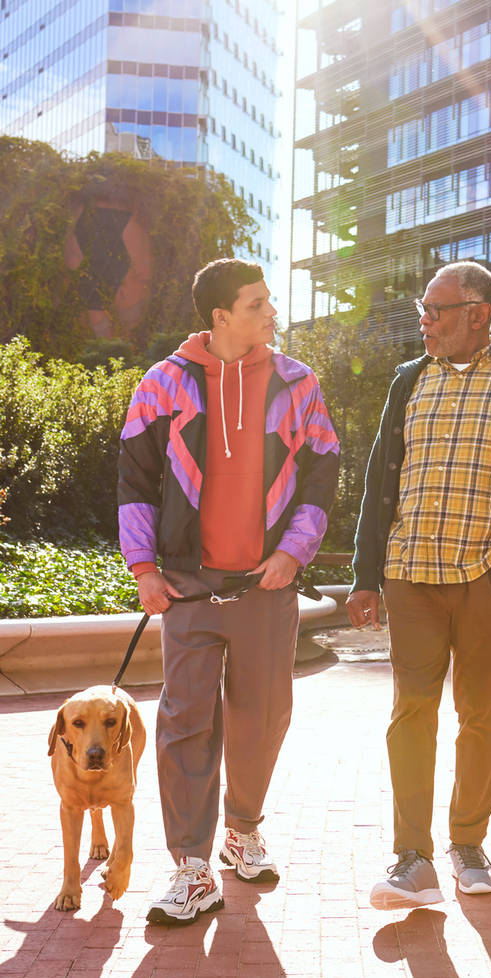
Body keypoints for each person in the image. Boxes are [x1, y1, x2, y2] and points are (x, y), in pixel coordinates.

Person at [348, 261, 491, 909]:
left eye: (436, 310)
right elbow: (378, 484)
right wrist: (366, 573)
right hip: (409, 574)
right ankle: (411, 859)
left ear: (477, 313)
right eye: (423, 309)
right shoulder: (406, 381)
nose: (424, 320)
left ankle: (467, 843)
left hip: (486, 575)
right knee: (410, 712)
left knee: (479, 713)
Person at [118, 258, 338, 926]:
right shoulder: (162, 384)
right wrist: (143, 569)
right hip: (187, 590)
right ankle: (191, 866)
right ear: (220, 315)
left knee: (261, 718)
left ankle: (242, 829)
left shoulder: (298, 384)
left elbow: (321, 478)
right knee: (184, 723)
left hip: (265, 590)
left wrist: (292, 552)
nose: (271, 313)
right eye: (256, 303)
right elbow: (134, 480)